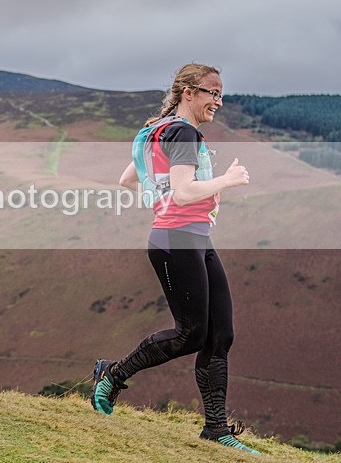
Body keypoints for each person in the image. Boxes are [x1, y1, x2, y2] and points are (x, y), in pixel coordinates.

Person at [90, 63, 260, 454]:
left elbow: (128, 180)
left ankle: (216, 428)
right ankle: (112, 375)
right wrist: (227, 181)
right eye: (211, 92)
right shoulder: (182, 132)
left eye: (220, 93)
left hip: (192, 237)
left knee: (221, 334)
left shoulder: (157, 130)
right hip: (178, 238)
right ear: (188, 92)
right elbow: (183, 192)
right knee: (191, 334)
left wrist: (159, 204)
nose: (217, 101)